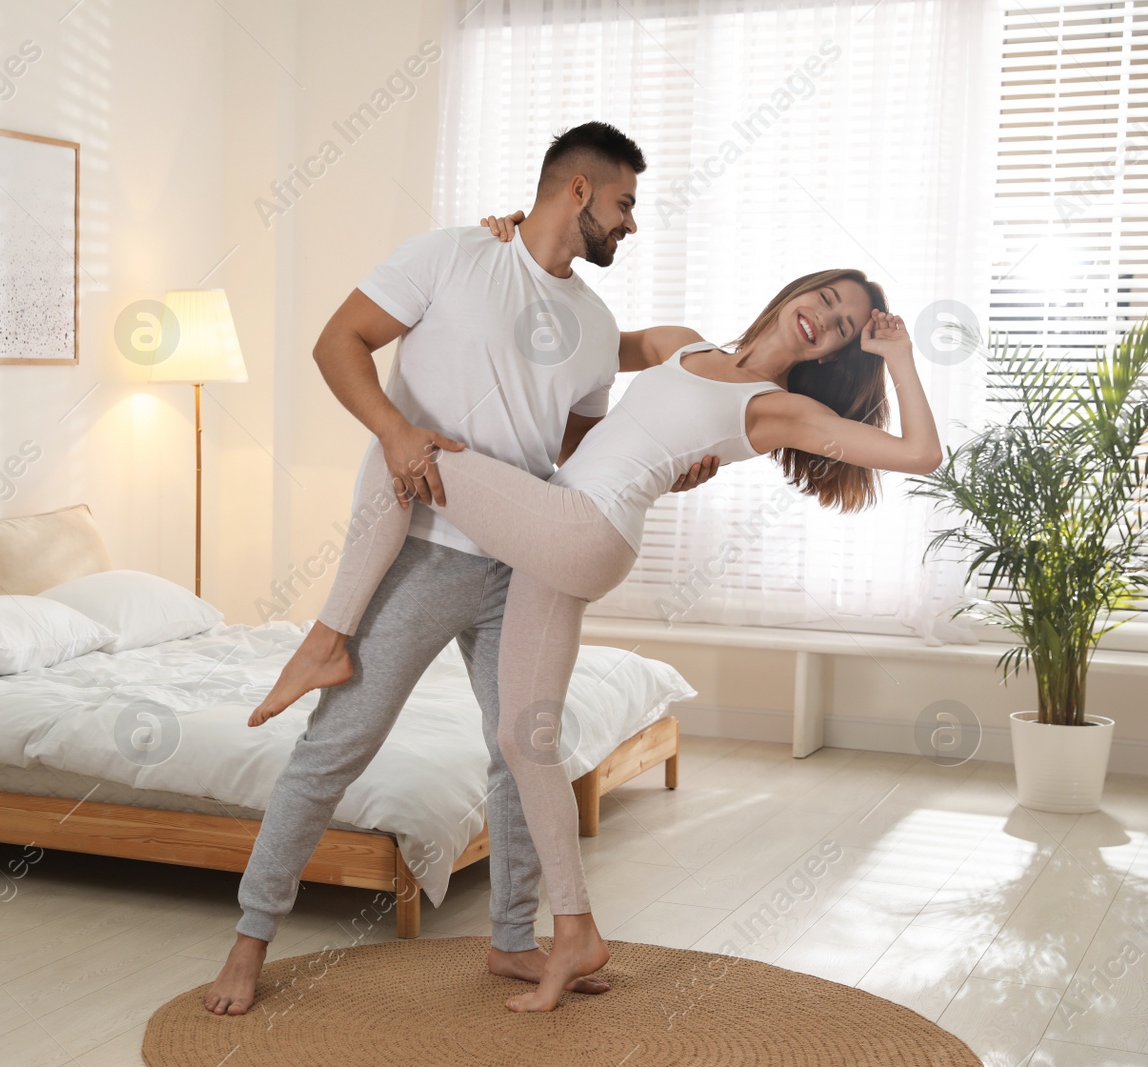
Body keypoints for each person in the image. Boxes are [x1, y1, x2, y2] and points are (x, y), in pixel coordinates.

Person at [251, 221, 943, 1011]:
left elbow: (921, 454)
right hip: (560, 522)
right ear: (795, 295)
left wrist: (900, 358)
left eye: (845, 326)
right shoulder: (684, 343)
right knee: (524, 736)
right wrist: (512, 249)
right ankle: (574, 931)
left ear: (831, 354)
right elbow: (581, 337)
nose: (827, 317)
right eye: (825, 298)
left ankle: (325, 640)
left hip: (587, 529)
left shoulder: (775, 408)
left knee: (403, 448)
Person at [202, 123, 723, 1017]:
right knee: (337, 745)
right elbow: (339, 342)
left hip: (525, 563)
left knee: (523, 753)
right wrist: (395, 431)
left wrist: (669, 462)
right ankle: (249, 940)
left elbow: (569, 445)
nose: (632, 225)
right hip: (422, 550)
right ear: (579, 192)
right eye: (627, 203)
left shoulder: (596, 325)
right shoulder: (450, 255)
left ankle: (514, 942)